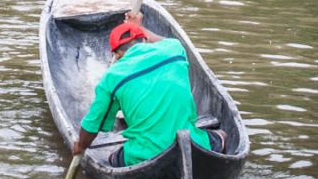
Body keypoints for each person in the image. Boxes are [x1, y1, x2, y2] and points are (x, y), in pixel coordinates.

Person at [72, 12, 227, 167]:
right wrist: (139, 27)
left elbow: (91, 125)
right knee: (222, 136)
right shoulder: (175, 49)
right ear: (145, 40)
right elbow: (165, 41)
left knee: (113, 158)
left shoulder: (111, 77)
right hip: (191, 145)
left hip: (144, 155)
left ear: (116, 55)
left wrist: (80, 146)